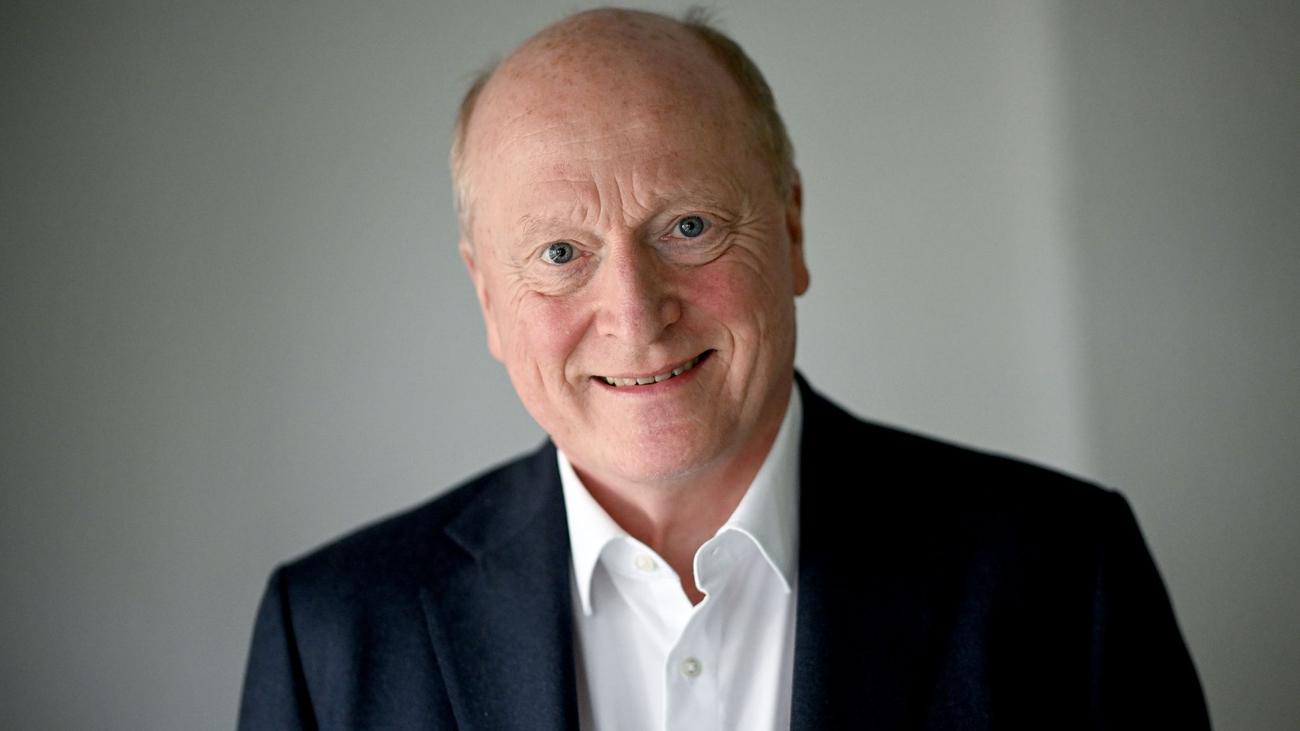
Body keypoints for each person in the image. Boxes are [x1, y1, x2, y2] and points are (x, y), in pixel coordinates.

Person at [238, 8, 1209, 730]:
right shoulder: (329, 634)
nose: (634, 313)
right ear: (488, 297)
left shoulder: (1066, 578)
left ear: (791, 230)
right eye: (560, 253)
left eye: (689, 226)